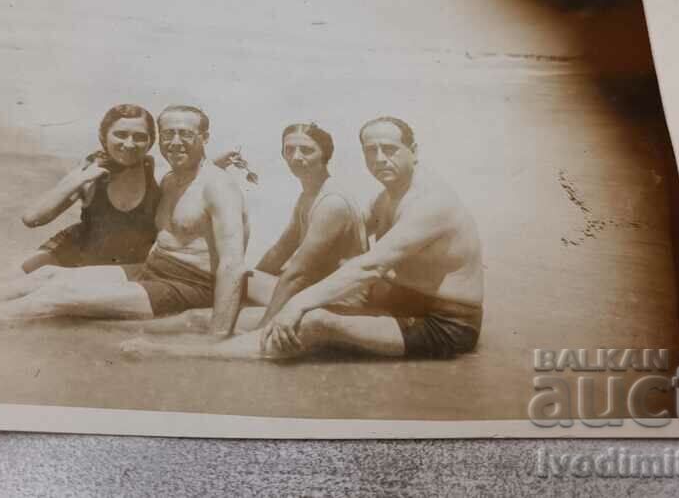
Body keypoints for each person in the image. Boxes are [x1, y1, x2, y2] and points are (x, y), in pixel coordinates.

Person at [122, 116, 483, 360]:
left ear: (414, 150)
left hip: (442, 325)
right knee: (234, 299)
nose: (379, 158)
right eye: (370, 150)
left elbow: (368, 265)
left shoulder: (431, 203)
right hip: (391, 303)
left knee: (313, 322)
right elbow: (321, 248)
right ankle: (131, 329)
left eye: (389, 149)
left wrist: (296, 304)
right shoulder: (387, 196)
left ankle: (181, 355)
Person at [0, 104, 250, 327]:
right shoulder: (173, 180)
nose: (175, 141)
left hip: (184, 286)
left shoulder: (214, 185)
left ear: (204, 137)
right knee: (45, 276)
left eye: (186, 134)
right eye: (170, 135)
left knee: (54, 296)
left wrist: (219, 334)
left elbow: (231, 260)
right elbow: (190, 201)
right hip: (143, 268)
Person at [126, 122, 368, 335]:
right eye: (289, 150)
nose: (296, 157)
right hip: (313, 290)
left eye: (306, 150)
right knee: (231, 285)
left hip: (337, 301)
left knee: (197, 319)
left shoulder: (332, 202)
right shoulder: (311, 194)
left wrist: (264, 324)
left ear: (325, 154)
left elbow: (298, 273)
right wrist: (243, 295)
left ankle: (113, 331)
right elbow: (279, 251)